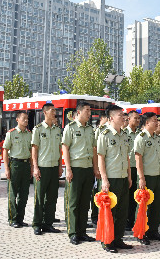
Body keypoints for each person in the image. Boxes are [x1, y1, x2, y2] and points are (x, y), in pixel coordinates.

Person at [62, 101, 99, 245]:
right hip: (76, 169)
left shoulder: (90, 129)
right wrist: (68, 169)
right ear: (79, 112)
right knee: (73, 202)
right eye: (87, 110)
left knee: (85, 203)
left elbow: (94, 150)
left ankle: (82, 232)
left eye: (90, 111)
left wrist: (95, 168)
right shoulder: (70, 128)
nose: (90, 113)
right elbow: (65, 148)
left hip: (88, 169)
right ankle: (73, 233)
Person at [97, 105, 132, 253]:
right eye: (119, 115)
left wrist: (129, 176)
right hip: (111, 178)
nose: (123, 117)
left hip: (123, 177)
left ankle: (118, 239)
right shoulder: (104, 134)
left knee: (122, 212)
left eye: (123, 115)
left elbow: (127, 157)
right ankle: (107, 241)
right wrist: (104, 179)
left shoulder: (124, 134)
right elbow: (101, 158)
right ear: (111, 118)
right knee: (110, 212)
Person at [134, 112, 160, 244]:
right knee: (143, 207)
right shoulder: (141, 137)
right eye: (154, 120)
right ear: (147, 122)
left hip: (158, 175)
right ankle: (141, 233)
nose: (157, 122)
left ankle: (153, 231)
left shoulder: (157, 138)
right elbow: (138, 158)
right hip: (147, 176)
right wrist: (141, 177)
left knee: (157, 205)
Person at [31, 103, 62, 235]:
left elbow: (60, 150)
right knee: (39, 197)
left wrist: (60, 166)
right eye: (52, 110)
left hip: (54, 167)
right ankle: (37, 224)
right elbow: (34, 149)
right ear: (45, 112)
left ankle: (48, 223)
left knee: (52, 197)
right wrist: (35, 167)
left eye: (55, 110)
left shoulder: (57, 130)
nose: (54, 112)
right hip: (42, 168)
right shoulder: (37, 129)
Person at [2, 111, 32, 228]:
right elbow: (5, 150)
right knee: (13, 193)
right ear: (17, 120)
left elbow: (30, 151)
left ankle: (20, 218)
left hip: (25, 165)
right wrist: (6, 168)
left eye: (27, 119)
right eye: (23, 119)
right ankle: (13, 219)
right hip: (14, 164)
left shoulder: (29, 134)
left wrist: (31, 167)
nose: (26, 121)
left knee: (24, 194)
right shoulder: (11, 133)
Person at [91, 113, 109, 226]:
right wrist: (96, 167)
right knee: (98, 192)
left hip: (111, 168)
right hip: (101, 167)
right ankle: (95, 215)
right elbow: (96, 149)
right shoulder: (100, 130)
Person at [125, 110, 141, 231]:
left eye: (138, 119)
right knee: (128, 197)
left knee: (137, 196)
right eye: (135, 118)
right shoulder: (124, 133)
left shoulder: (140, 134)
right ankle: (127, 221)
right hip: (128, 168)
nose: (137, 121)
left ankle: (135, 220)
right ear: (129, 119)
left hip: (138, 168)